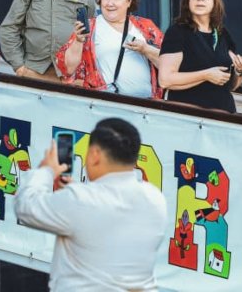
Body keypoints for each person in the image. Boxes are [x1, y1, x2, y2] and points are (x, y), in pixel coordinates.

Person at [15, 118, 167, 291]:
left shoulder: (80, 200)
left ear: (95, 155)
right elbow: (109, 208)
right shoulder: (155, 198)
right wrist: (74, 188)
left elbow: (25, 206)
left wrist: (46, 171)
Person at [56, 0, 164, 98]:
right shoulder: (90, 27)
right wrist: (78, 41)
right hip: (108, 103)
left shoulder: (146, 26)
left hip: (147, 105)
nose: (109, 3)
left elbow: (169, 65)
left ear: (129, 1)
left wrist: (146, 50)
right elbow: (68, 69)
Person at [158, 0, 242, 113]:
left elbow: (230, 86)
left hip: (224, 116)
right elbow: (165, 80)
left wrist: (240, 71)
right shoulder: (177, 32)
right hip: (190, 118)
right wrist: (205, 75)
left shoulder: (222, 33)